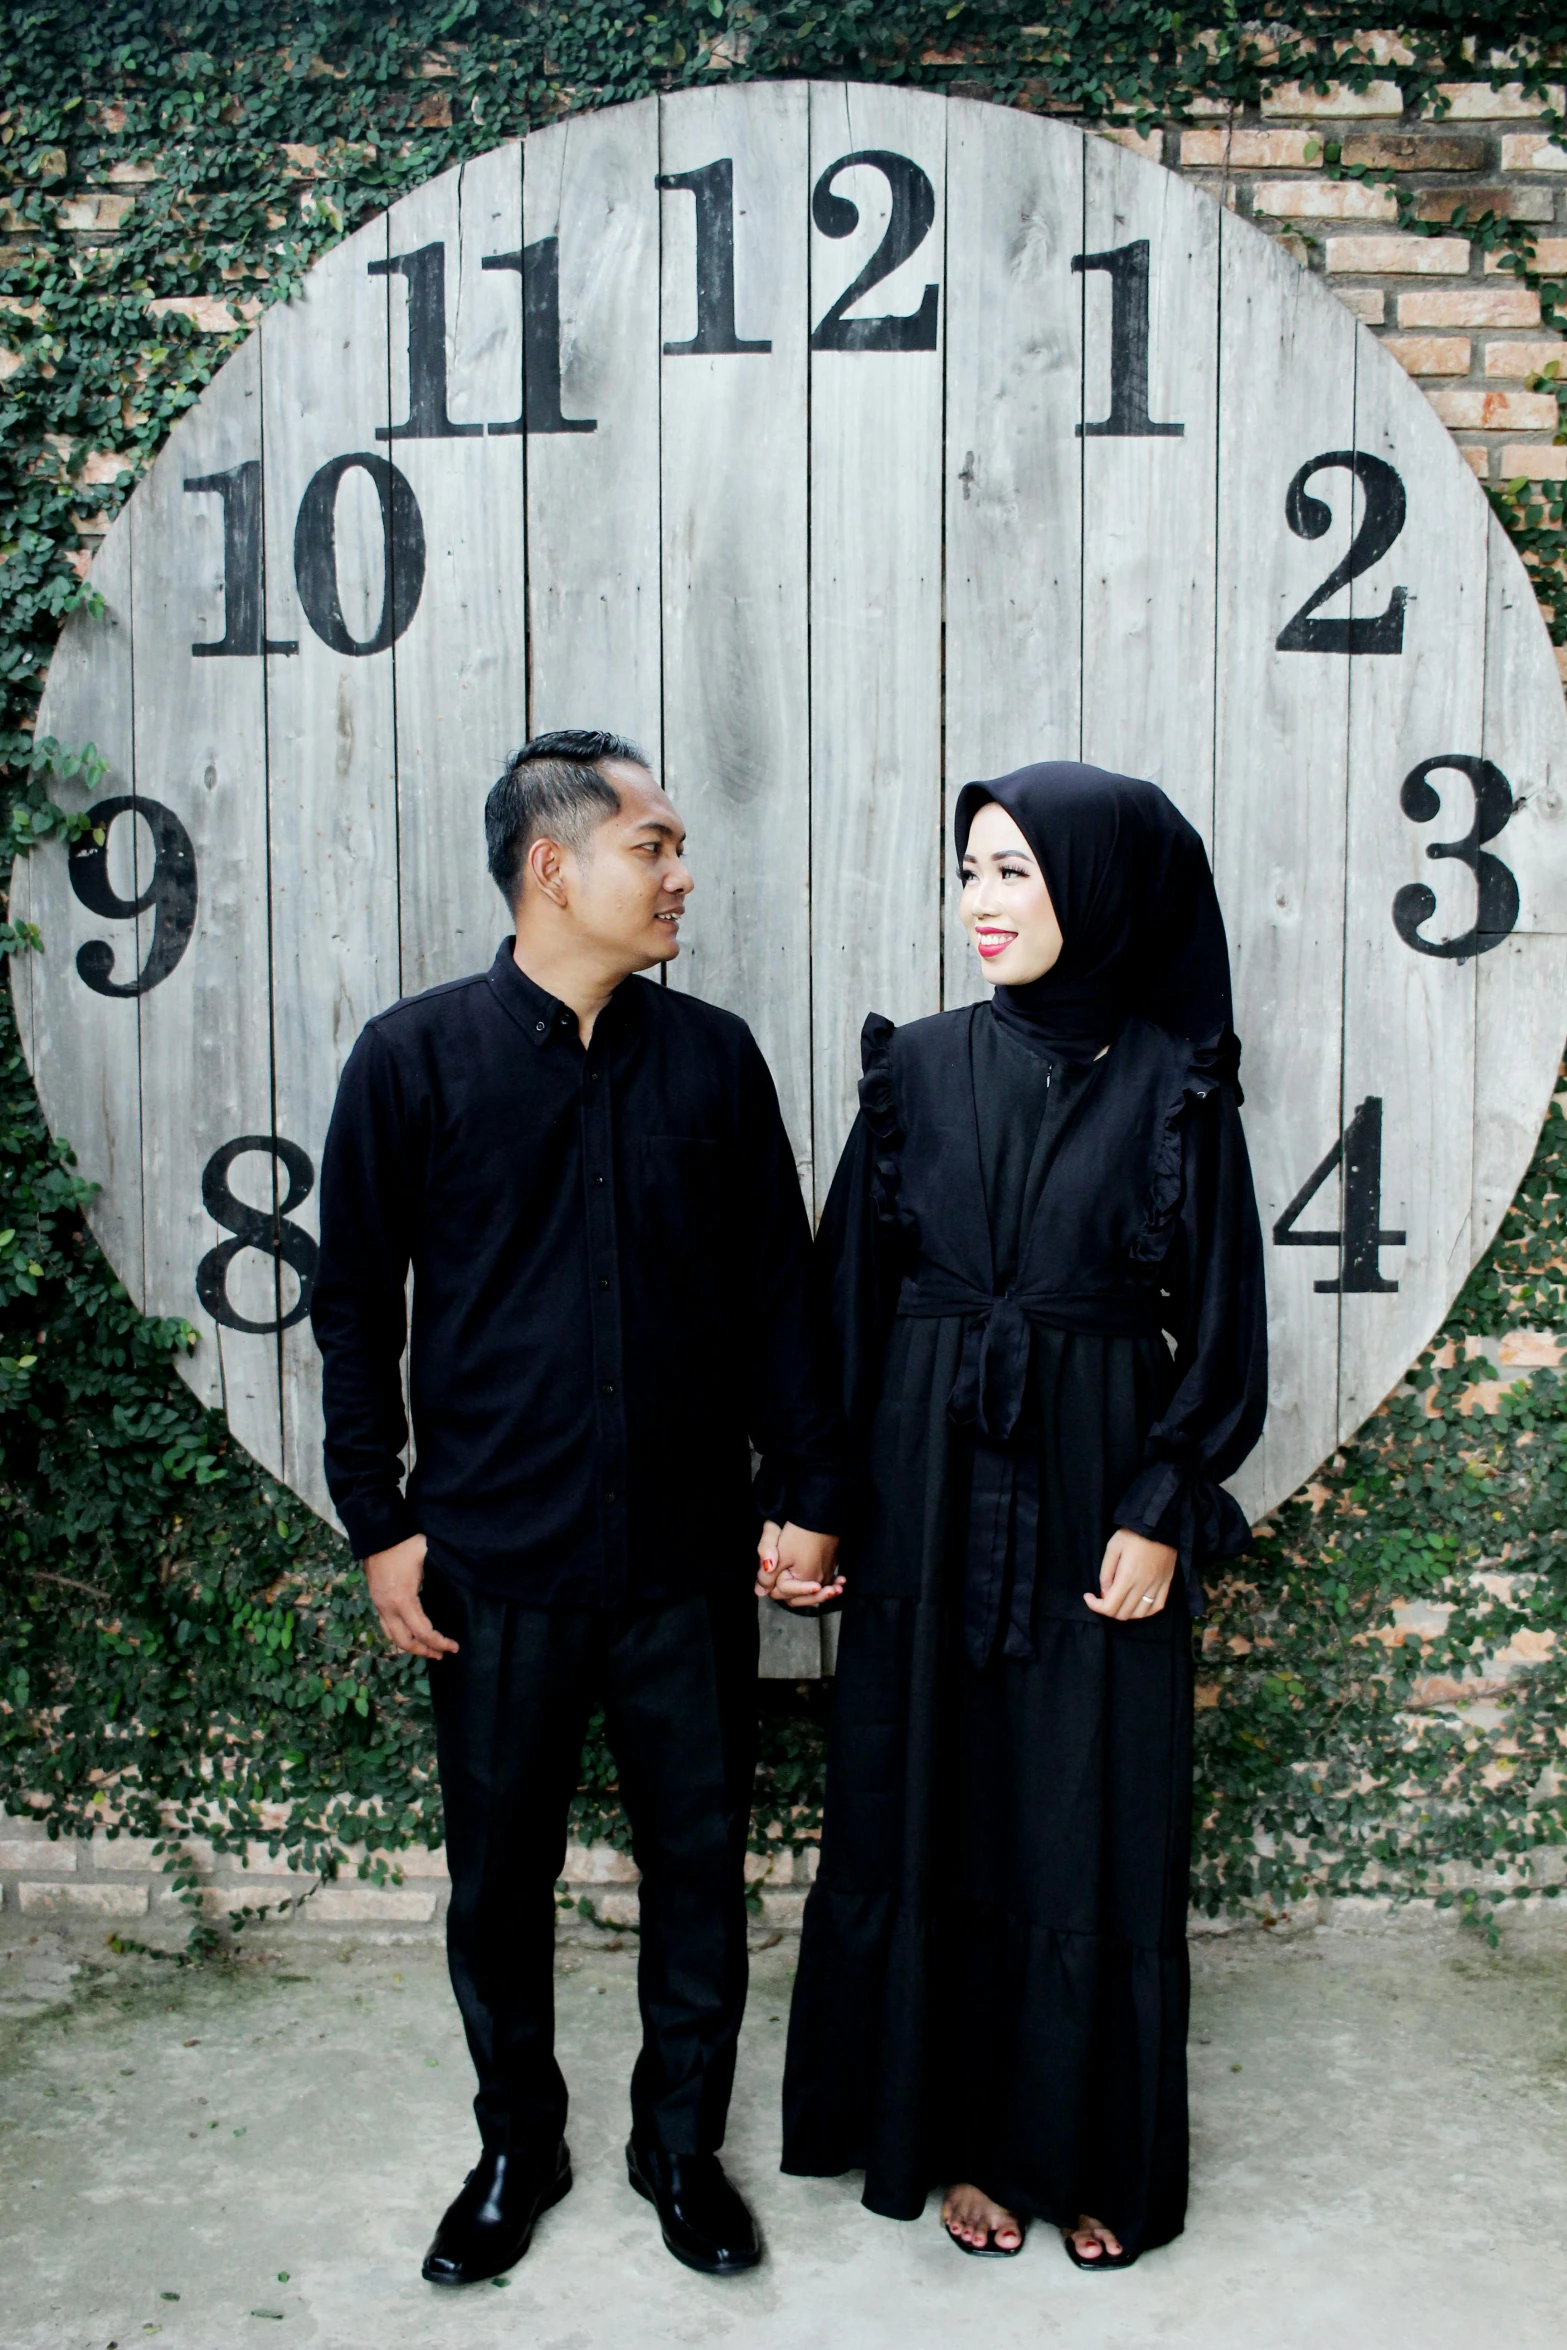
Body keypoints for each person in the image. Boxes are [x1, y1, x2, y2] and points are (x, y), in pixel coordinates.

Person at [311, 729, 845, 2287]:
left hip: (687, 1558)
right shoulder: (411, 1060)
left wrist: (810, 1490)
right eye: (653, 845)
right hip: (494, 1563)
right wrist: (380, 1520)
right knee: (497, 1882)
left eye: (676, 848)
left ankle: (678, 2145)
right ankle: (516, 2146)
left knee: (699, 1865)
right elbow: (354, 1307)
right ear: (555, 866)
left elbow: (776, 1296)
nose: (682, 873)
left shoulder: (715, 1058)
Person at [763, 760, 1267, 2270]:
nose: (981, 902)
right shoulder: (914, 1067)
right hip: (924, 1485)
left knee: (1087, 1811)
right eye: (969, 869)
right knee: (937, 1798)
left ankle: (1089, 2147)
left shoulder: (1176, 1076)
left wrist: (1165, 1496)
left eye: (1015, 874)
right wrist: (818, 1500)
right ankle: (963, 2140)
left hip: (1092, 1479)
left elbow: (1226, 1320)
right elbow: (842, 1301)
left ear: (1098, 890)